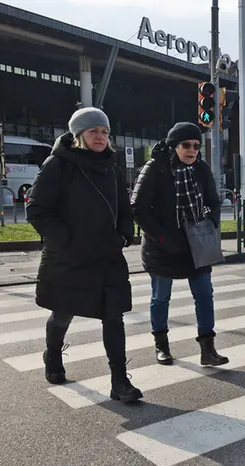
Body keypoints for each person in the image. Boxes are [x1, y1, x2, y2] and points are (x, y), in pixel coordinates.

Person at [26, 107, 142, 402]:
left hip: (107, 255)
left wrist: (125, 233)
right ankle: (53, 354)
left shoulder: (113, 168)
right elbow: (36, 209)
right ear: (79, 136)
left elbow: (124, 209)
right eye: (94, 131)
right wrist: (65, 239)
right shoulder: (58, 165)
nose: (100, 137)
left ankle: (119, 382)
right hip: (70, 257)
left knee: (113, 317)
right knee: (63, 312)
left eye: (104, 132)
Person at [131, 122, 228, 367]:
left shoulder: (201, 169)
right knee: (161, 297)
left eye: (196, 146)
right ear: (174, 146)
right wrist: (162, 237)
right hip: (162, 246)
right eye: (186, 145)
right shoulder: (155, 168)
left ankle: (208, 349)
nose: (192, 151)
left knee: (205, 294)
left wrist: (208, 223)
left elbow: (214, 202)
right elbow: (139, 208)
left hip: (196, 244)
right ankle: (161, 345)